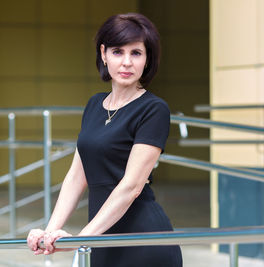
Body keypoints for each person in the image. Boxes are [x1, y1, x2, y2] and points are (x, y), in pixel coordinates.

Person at [27, 13, 183, 267]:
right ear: (103, 54)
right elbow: (77, 176)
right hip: (101, 237)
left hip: (143, 241)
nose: (126, 63)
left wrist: (82, 238)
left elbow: (131, 187)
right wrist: (50, 231)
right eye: (118, 51)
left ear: (147, 59)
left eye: (136, 53)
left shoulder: (154, 109)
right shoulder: (94, 105)